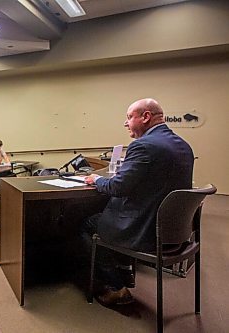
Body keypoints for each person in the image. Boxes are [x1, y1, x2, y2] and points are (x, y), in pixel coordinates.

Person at [81, 98, 194, 306]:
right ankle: (125, 272)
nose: (126, 123)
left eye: (129, 117)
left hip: (144, 230)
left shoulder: (143, 146)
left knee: (89, 224)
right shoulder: (184, 146)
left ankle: (115, 287)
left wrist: (97, 179)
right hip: (175, 232)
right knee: (107, 217)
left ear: (146, 117)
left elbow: (118, 187)